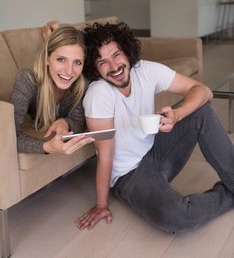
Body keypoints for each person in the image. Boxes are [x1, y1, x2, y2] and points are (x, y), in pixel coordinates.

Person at [76, 21, 234, 233]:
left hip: (156, 149)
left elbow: (203, 90)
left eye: (116, 55)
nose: (113, 67)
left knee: (201, 112)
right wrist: (101, 204)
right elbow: (105, 155)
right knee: (178, 217)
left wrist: (177, 115)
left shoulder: (145, 70)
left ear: (127, 51)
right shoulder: (98, 94)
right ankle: (228, 195)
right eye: (102, 62)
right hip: (129, 175)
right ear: (94, 68)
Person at [11, 25, 94, 154]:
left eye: (77, 62)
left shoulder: (82, 84)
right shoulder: (27, 80)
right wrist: (47, 147)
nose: (69, 71)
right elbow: (9, 137)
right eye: (61, 60)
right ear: (47, 58)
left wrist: (65, 122)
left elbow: (78, 121)